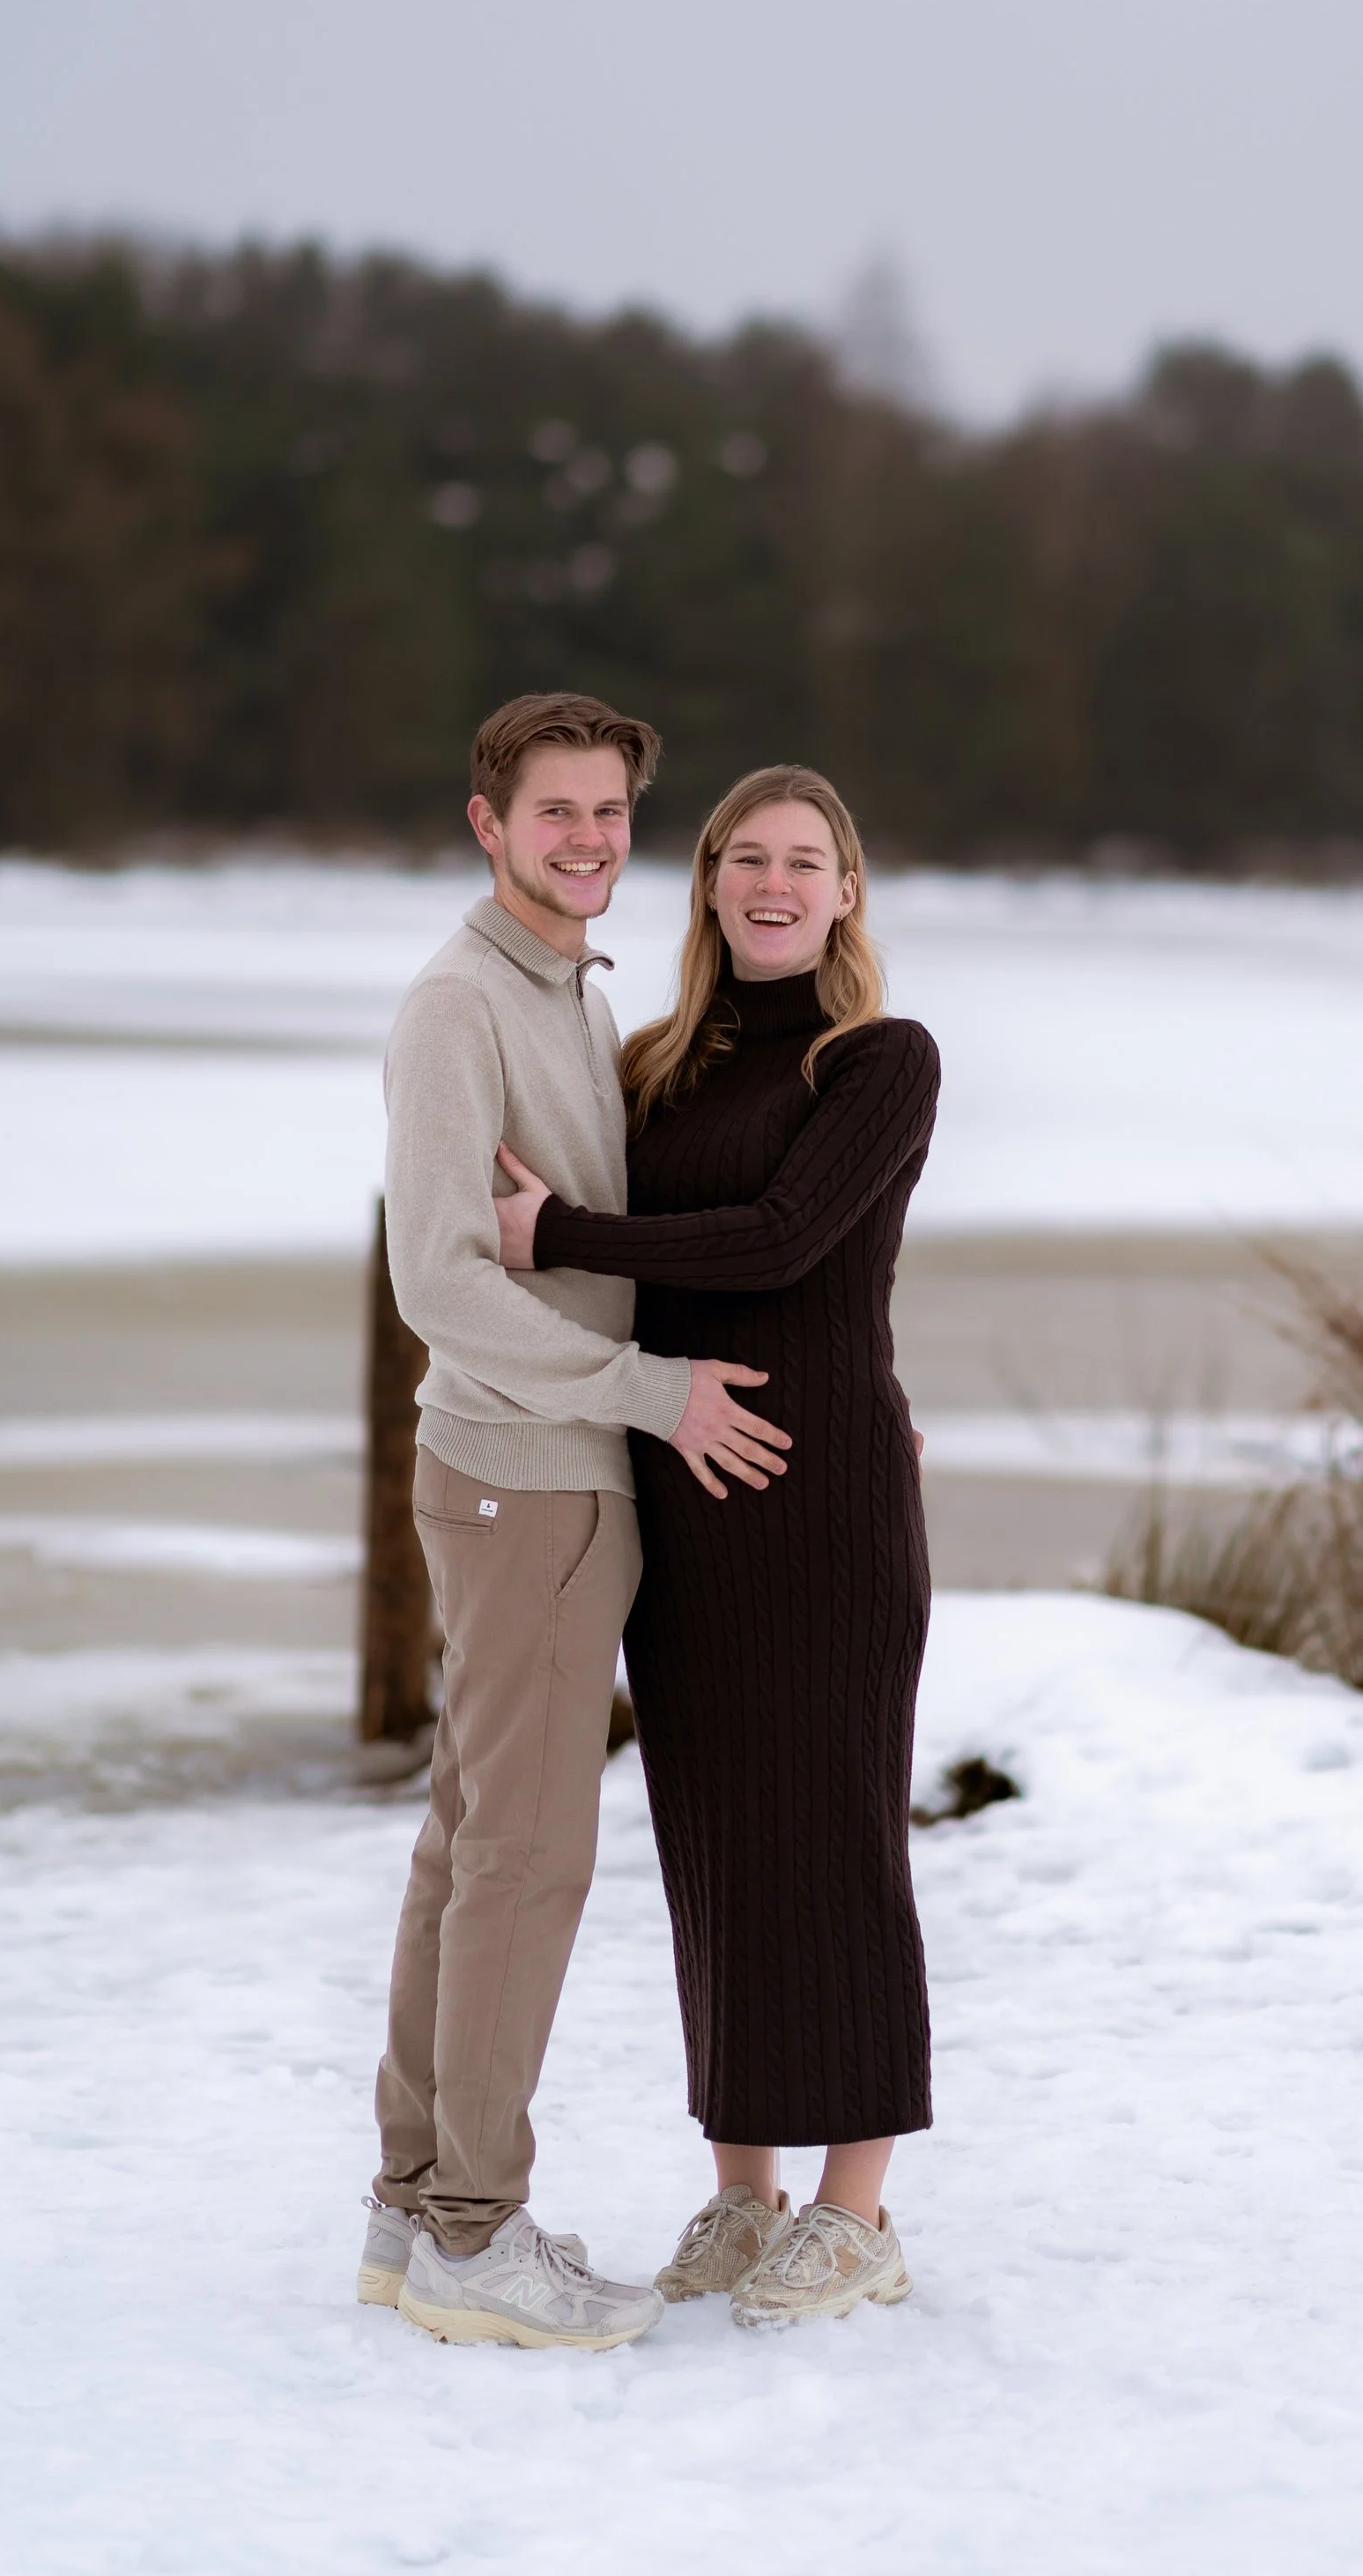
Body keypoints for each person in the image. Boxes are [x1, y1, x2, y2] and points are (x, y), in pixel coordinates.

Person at [359, 690, 790, 2353]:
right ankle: (475, 2230)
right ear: (488, 823)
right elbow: (439, 1281)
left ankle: (416, 2209)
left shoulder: (570, 993)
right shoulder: (460, 1005)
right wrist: (647, 1387)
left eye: (612, 811)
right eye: (557, 812)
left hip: (540, 1477)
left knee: (471, 1845)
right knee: (525, 1860)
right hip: (521, 1477)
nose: (591, 839)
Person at [493, 761, 940, 2328]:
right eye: (743, 856)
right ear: (706, 885)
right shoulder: (652, 1067)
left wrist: (559, 1233)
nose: (772, 881)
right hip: (682, 1502)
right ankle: (746, 2193)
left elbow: (783, 1241)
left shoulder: (880, 1059)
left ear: (846, 889)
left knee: (838, 1842)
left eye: (804, 859)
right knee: (718, 1851)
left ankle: (856, 2211)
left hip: (822, 1507)